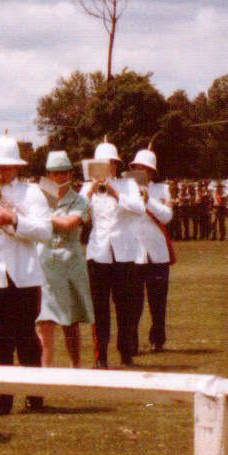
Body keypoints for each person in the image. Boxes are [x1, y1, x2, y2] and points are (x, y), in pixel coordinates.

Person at [0, 135, 53, 415]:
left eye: (6, 167)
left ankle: (34, 396)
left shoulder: (31, 193)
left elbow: (45, 231)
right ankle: (0, 402)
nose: (0, 172)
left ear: (16, 168)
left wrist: (14, 219)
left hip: (24, 274)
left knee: (26, 338)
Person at [82, 140, 145, 369]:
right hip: (98, 253)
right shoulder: (87, 187)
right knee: (100, 309)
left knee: (124, 307)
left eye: (110, 164)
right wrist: (90, 191)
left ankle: (126, 352)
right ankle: (101, 357)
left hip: (123, 254)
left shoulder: (127, 185)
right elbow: (77, 211)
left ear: (115, 165)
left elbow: (139, 209)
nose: (107, 168)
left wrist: (115, 193)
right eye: (102, 164)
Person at [35, 151, 93, 372]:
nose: (59, 177)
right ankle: (45, 370)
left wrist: (41, 217)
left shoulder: (80, 200)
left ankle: (75, 366)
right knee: (44, 322)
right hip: (45, 263)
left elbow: (70, 224)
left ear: (70, 173)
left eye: (64, 172)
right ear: (48, 174)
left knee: (70, 321)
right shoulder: (39, 198)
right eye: (54, 173)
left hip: (70, 264)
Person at [129, 148, 174, 353]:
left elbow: (166, 216)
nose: (141, 170)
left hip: (157, 254)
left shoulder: (161, 190)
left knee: (158, 303)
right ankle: (131, 342)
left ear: (152, 172)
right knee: (133, 303)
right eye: (137, 167)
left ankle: (158, 340)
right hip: (133, 253)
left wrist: (148, 200)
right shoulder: (126, 189)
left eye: (145, 168)